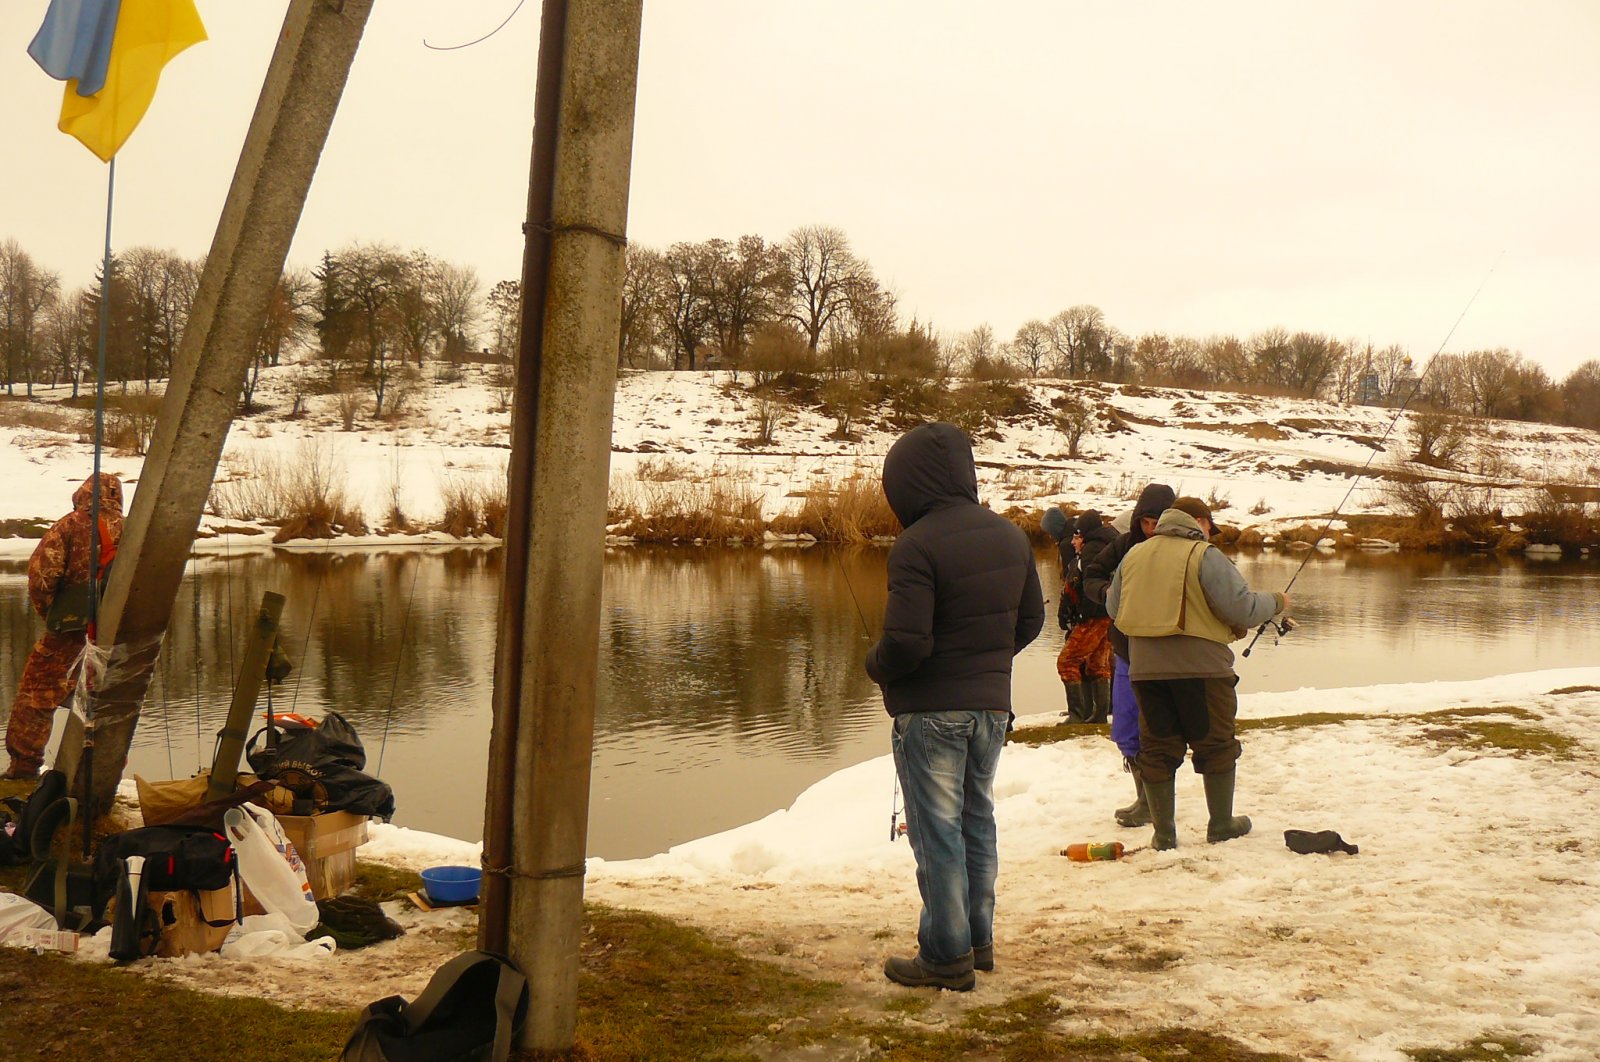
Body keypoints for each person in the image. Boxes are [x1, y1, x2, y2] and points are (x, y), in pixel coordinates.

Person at [866, 423, 1043, 992]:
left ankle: (946, 955)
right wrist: (985, 664)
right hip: (991, 710)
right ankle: (977, 940)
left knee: (938, 833)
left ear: (906, 483)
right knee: (976, 822)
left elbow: (907, 644)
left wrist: (874, 665)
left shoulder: (915, 545)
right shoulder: (1011, 536)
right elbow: (1032, 620)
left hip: (931, 714)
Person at [1105, 497, 1290, 850]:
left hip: (1145, 671)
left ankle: (1164, 834)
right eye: (1209, 526)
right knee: (1215, 744)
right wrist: (1277, 601)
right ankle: (1221, 824)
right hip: (1203, 669)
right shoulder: (1205, 555)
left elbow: (1113, 607)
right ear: (1200, 522)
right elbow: (1243, 609)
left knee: (1157, 748)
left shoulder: (1134, 555)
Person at [5, 472, 124, 780]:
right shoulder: (132, 530)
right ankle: (100, 773)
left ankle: (24, 768)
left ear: (83, 494)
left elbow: (42, 578)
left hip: (69, 634)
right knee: (109, 702)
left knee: (37, 696)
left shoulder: (70, 525)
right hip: (117, 636)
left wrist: (54, 616)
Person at [1081, 484, 1175, 826]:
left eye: (1157, 523)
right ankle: (1144, 800)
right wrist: (1109, 593)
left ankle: (1157, 802)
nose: (1151, 530)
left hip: (1169, 655)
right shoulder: (1123, 545)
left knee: (1161, 733)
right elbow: (1091, 574)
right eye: (1146, 522)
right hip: (1127, 650)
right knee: (1125, 728)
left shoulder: (1187, 550)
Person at [1056, 511, 1118, 723]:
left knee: (1067, 661)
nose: (1073, 542)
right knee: (1098, 664)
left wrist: (1082, 614)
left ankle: (1077, 714)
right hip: (1108, 616)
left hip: (1093, 618)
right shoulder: (1108, 546)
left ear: (1085, 535)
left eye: (1077, 536)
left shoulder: (1091, 550)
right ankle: (1099, 715)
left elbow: (1090, 584)